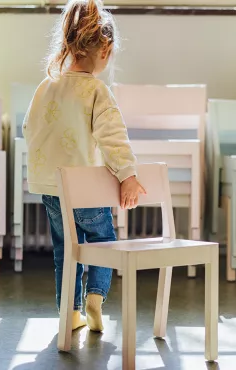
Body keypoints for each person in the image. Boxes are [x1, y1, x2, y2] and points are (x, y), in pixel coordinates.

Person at [22, 0, 145, 332]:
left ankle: (70, 313)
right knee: (102, 242)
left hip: (52, 189)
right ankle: (94, 297)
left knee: (66, 250)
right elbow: (113, 137)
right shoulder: (96, 90)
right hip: (86, 189)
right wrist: (128, 175)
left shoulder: (46, 86)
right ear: (103, 51)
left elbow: (29, 129)